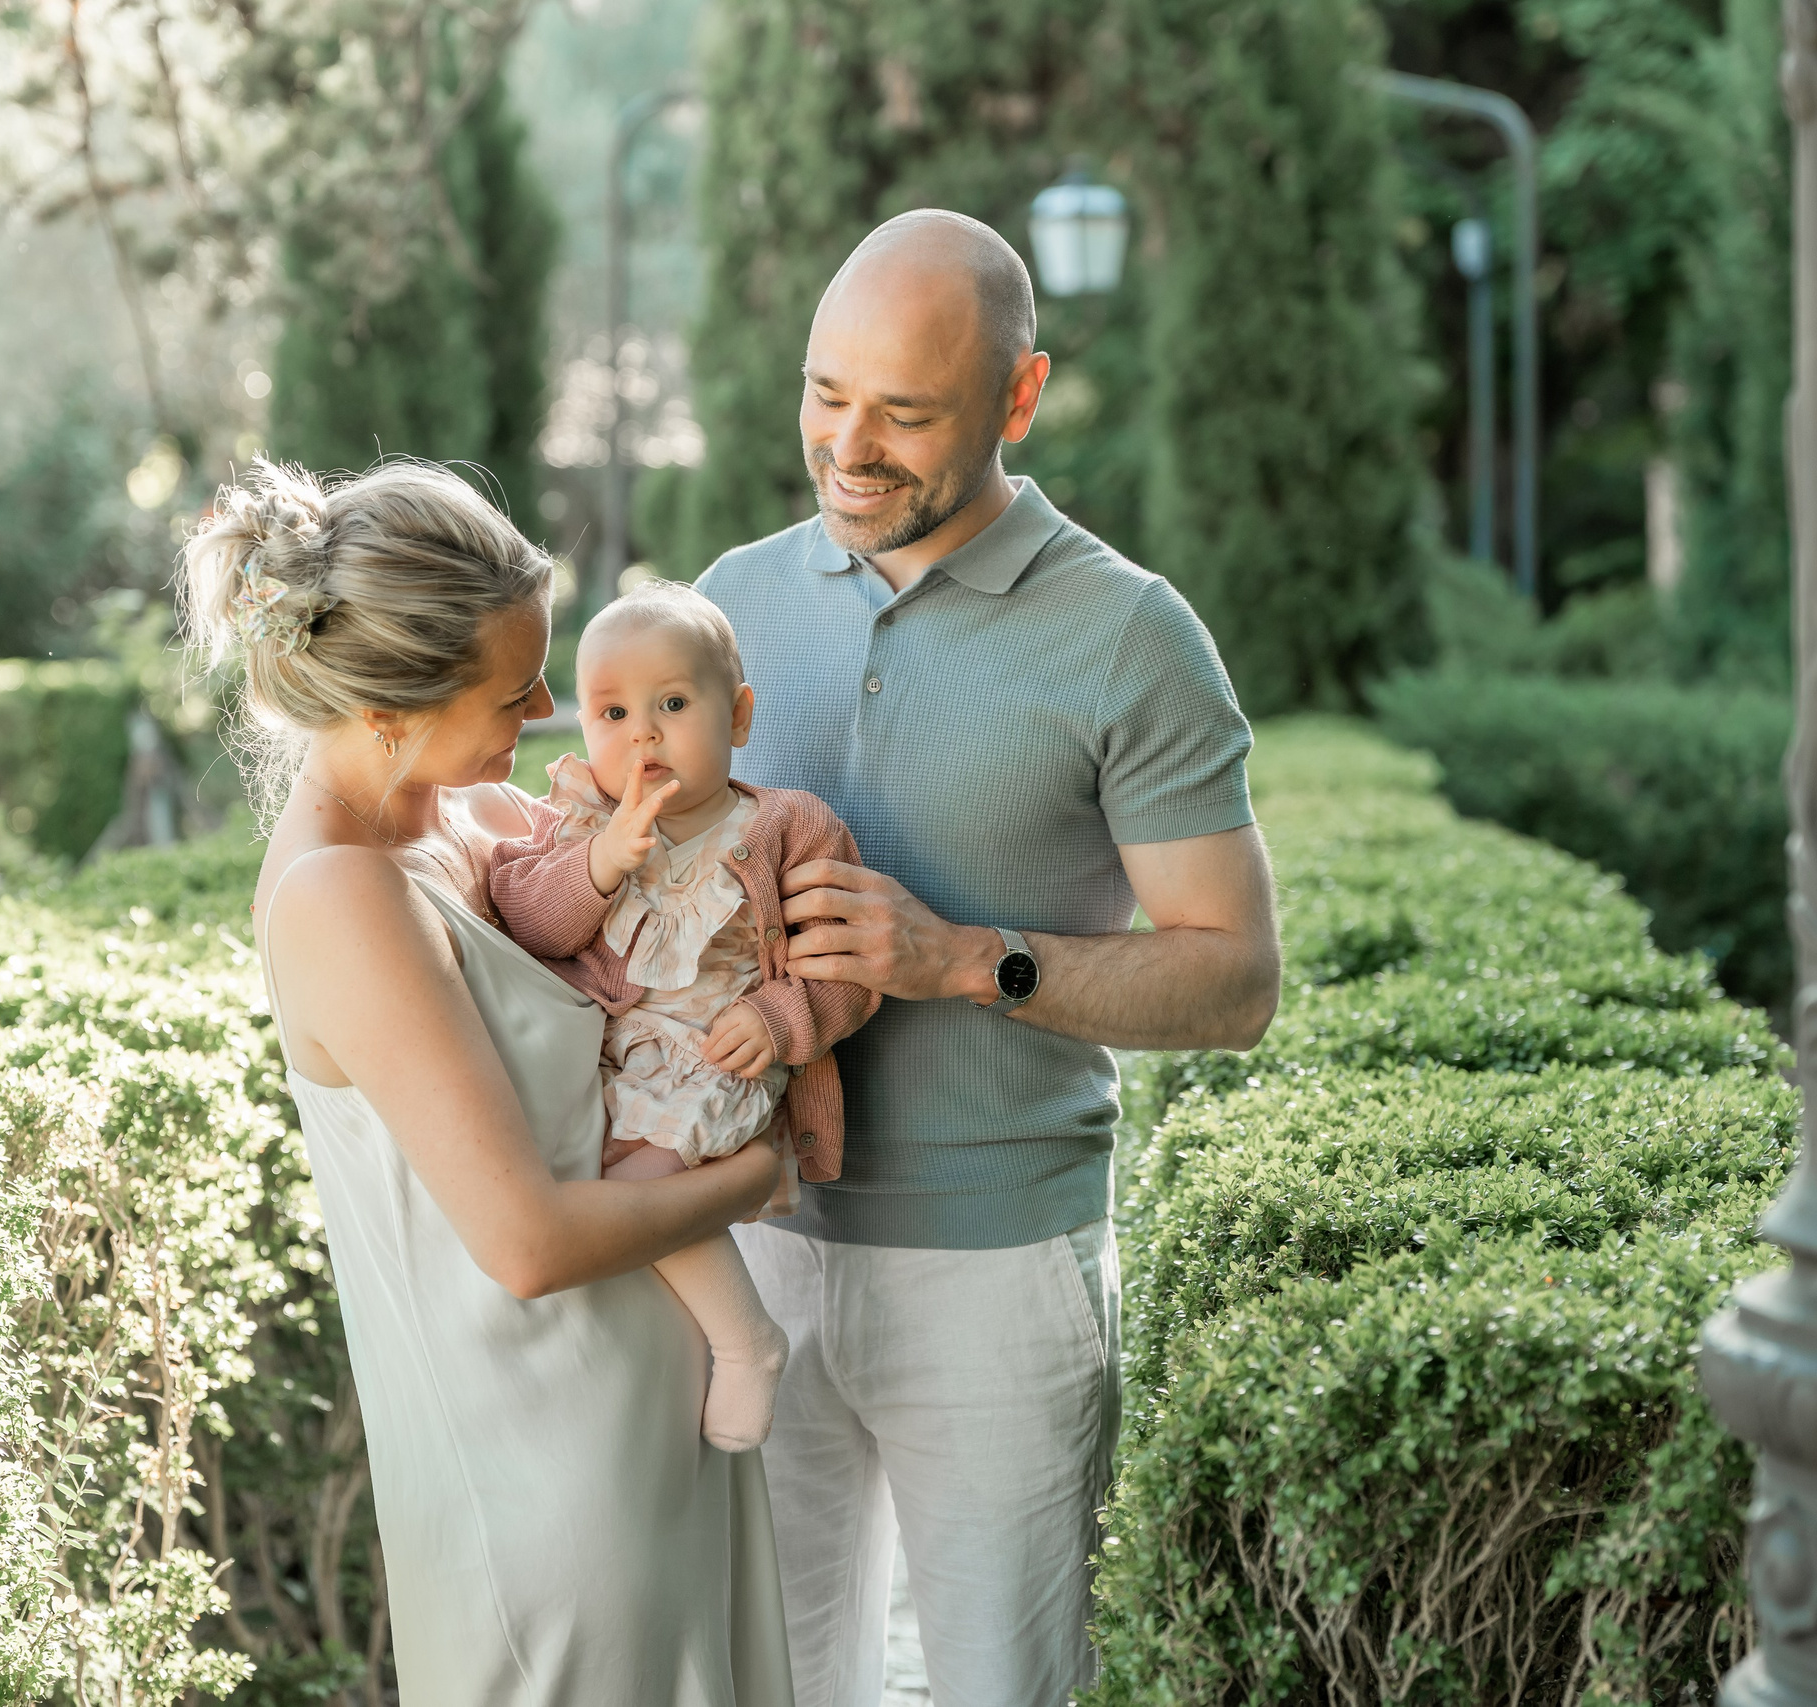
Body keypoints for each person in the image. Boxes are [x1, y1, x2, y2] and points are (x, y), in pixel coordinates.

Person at [698, 210, 1283, 1706]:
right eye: (828, 393)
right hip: (747, 1245)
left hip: (998, 1271)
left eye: (907, 411)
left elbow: (1234, 979)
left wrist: (968, 959)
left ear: (1021, 399)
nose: (850, 444)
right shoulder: (732, 604)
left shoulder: (1133, 636)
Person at [190, 457, 796, 1704]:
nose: (543, 720)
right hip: (545, 1491)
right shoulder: (343, 897)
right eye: (514, 694)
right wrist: (756, 1174)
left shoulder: (462, 819)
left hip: (657, 1435)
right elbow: (524, 1241)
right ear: (388, 710)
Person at [487, 580, 880, 1452]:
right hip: (612, 1064)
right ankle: (648, 1360)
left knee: (619, 1201)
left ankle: (745, 1341)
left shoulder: (788, 828)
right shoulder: (583, 820)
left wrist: (780, 1018)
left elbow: (851, 974)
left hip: (719, 1059)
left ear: (738, 715)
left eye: (672, 702)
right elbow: (530, 922)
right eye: (613, 712)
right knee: (587, 1189)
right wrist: (599, 863)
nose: (643, 733)